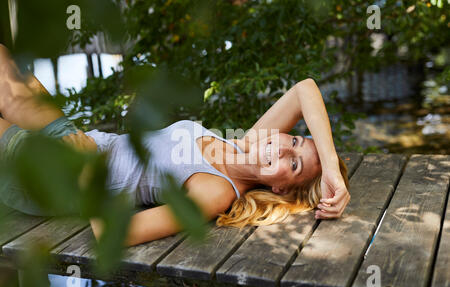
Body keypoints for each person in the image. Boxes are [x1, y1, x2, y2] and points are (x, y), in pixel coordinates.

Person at [0, 44, 350, 247]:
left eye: (293, 165)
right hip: (73, 139)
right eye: (294, 140)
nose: (283, 150)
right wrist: (330, 166)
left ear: (278, 187)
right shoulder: (245, 143)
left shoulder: (216, 192)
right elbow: (305, 88)